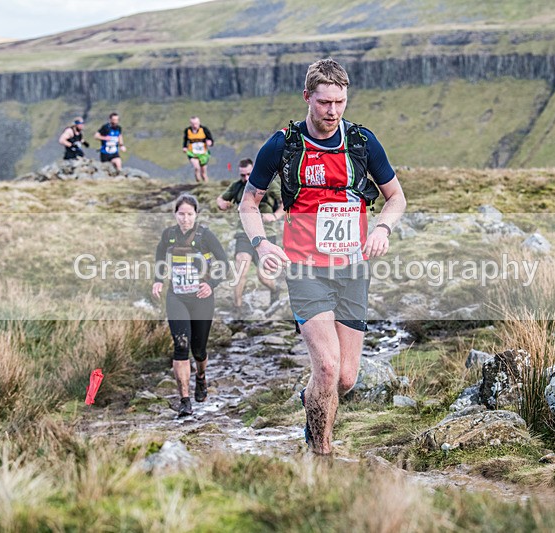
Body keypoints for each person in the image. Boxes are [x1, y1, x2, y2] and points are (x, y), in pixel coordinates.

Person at [240, 58, 406, 455]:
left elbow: (396, 197)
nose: (332, 111)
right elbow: (249, 203)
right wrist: (262, 243)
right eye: (324, 103)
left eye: (340, 102)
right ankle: (322, 454)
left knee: (345, 378)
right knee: (327, 368)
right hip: (304, 268)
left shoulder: (363, 142)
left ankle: (311, 398)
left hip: (352, 269)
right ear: (307, 98)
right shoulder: (284, 144)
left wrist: (382, 229)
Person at [152, 194, 228, 417]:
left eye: (189, 214)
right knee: (181, 346)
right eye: (181, 214)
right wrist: (158, 279)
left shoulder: (205, 235)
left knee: (199, 349)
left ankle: (201, 377)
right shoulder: (169, 235)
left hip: (201, 298)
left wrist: (211, 285)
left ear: (196, 215)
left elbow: (224, 263)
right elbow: (159, 256)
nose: (185, 219)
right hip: (176, 297)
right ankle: (184, 399)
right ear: (175, 214)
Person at [216, 158, 284, 309]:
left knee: (263, 277)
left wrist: (275, 216)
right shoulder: (237, 186)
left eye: (249, 174)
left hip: (267, 233)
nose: (246, 178)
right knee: (241, 268)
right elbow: (221, 198)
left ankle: (275, 290)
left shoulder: (269, 184)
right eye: (242, 175)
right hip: (244, 233)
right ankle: (238, 308)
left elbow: (284, 203)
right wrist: (221, 203)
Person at [182, 116, 213, 182]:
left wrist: (210, 142)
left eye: (196, 123)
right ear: (190, 124)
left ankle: (206, 184)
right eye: (193, 124)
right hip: (192, 152)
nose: (194, 125)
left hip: (203, 153)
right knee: (197, 168)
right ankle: (198, 182)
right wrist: (184, 147)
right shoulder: (187, 130)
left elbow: (210, 139)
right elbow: (185, 140)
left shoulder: (204, 129)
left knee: (203, 173)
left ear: (199, 123)